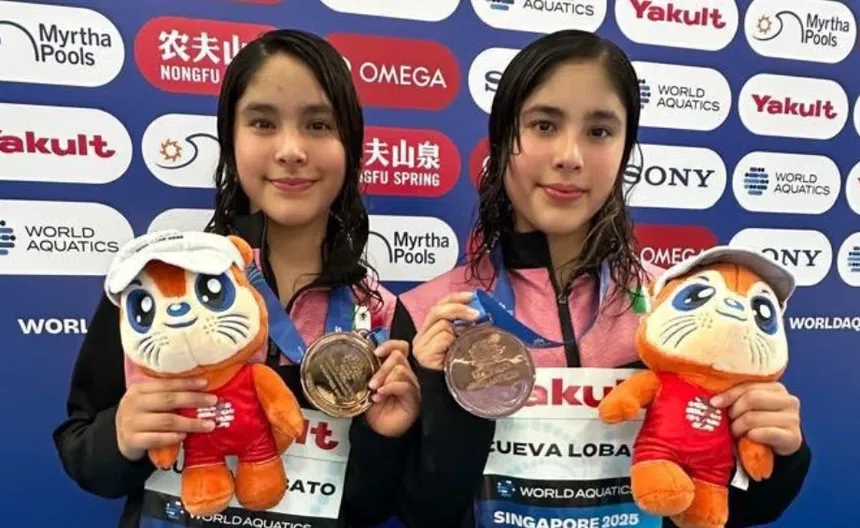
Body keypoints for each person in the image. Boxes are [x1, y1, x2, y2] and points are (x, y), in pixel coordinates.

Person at [391, 30, 810, 528]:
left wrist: (781, 454)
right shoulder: (432, 314)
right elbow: (423, 513)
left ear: (625, 149)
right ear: (503, 141)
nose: (570, 155)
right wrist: (449, 400)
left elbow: (735, 508)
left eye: (599, 131)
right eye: (544, 125)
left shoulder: (679, 310)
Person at [53, 29, 420, 528]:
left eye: (318, 124)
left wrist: (381, 439)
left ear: (350, 145)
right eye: (263, 123)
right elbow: (81, 453)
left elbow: (369, 507)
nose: (291, 149)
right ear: (230, 140)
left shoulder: (378, 314)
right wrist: (119, 436)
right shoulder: (156, 281)